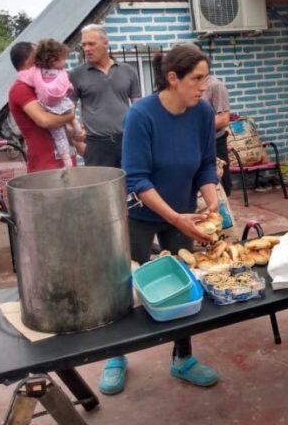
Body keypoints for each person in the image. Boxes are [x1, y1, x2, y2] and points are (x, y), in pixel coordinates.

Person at [106, 44, 219, 394]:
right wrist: (175, 218)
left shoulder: (201, 113)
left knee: (184, 283)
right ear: (173, 78)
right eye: (197, 79)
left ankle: (182, 357)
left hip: (184, 212)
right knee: (126, 284)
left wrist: (212, 206)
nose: (204, 86)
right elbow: (137, 179)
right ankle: (116, 355)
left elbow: (205, 165)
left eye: (206, 78)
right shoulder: (141, 115)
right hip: (142, 214)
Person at [69, 24, 141, 168]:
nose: (87, 49)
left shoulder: (128, 71)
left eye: (91, 44)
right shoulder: (77, 74)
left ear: (106, 43)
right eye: (84, 45)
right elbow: (68, 110)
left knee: (131, 186)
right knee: (99, 189)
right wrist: (77, 141)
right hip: (96, 145)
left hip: (126, 141)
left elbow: (138, 109)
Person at [7, 42, 81, 173]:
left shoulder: (41, 84)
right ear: (30, 59)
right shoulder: (21, 88)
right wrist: (70, 115)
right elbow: (45, 120)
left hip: (64, 163)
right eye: (39, 55)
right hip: (46, 167)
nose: (45, 58)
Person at [203, 73, 232, 195]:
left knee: (220, 187)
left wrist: (193, 126)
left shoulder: (215, 86)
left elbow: (223, 119)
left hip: (215, 142)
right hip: (196, 144)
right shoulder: (186, 85)